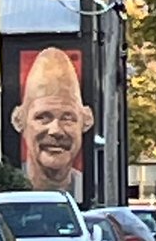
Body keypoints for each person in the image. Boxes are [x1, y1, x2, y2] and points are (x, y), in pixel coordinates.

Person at [10, 47, 94, 195]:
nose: (56, 130)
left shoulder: (84, 184)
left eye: (67, 118)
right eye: (42, 117)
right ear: (20, 121)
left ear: (85, 121)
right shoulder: (6, 194)